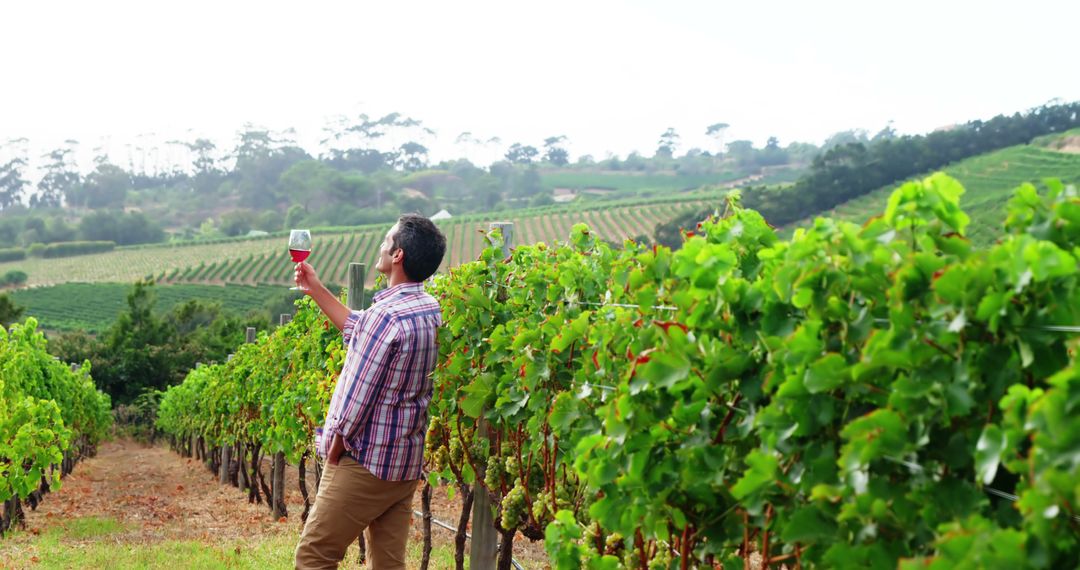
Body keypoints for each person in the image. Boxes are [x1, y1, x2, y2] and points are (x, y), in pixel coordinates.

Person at [293, 214, 446, 570]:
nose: (381, 244)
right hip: (404, 462)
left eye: (387, 239)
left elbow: (357, 398)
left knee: (314, 557)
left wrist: (336, 444)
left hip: (366, 462)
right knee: (388, 565)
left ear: (398, 255)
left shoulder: (387, 317)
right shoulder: (427, 308)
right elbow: (359, 328)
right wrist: (315, 287)